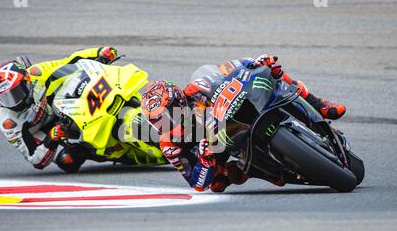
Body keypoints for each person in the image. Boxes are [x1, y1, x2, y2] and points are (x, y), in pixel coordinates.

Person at [141, 54, 346, 192]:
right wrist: (205, 159)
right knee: (219, 183)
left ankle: (319, 105)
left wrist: (255, 61)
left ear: (178, 101)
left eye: (165, 116)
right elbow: (197, 184)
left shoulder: (197, 88)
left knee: (275, 75)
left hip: (233, 114)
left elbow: (229, 68)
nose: (163, 124)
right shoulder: (169, 145)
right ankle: (262, 171)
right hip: (220, 150)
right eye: (156, 121)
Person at [0, 46, 118, 172]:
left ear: (26, 81)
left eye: (15, 93)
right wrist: (52, 137)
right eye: (5, 98)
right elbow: (35, 160)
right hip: (42, 130)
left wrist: (100, 52)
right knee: (67, 160)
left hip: (56, 105)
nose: (12, 103)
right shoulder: (9, 123)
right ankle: (96, 150)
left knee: (77, 78)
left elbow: (69, 61)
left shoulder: (36, 73)